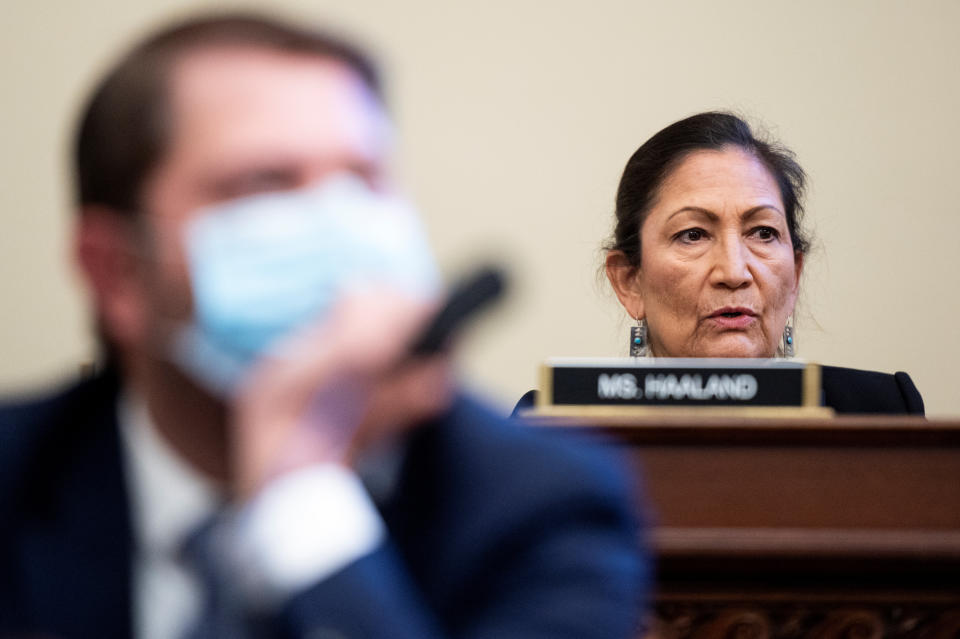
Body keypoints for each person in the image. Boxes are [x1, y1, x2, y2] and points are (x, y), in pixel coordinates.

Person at [0, 13, 648, 639]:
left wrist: (304, 505)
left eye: (364, 179)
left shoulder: (545, 507)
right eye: (264, 182)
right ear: (116, 273)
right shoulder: (18, 471)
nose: (339, 224)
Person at [515, 111, 923, 415]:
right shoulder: (556, 428)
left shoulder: (882, 411)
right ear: (629, 282)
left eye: (763, 233)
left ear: (795, 275)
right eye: (692, 234)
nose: (734, 272)